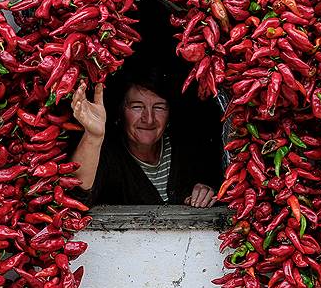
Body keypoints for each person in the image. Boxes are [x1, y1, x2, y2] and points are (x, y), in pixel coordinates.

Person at [69, 68, 218, 207]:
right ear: (120, 113)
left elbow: (219, 183)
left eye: (159, 107)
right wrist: (93, 136)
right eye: (137, 107)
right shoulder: (109, 154)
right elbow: (77, 194)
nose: (149, 119)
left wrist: (207, 190)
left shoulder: (188, 149)